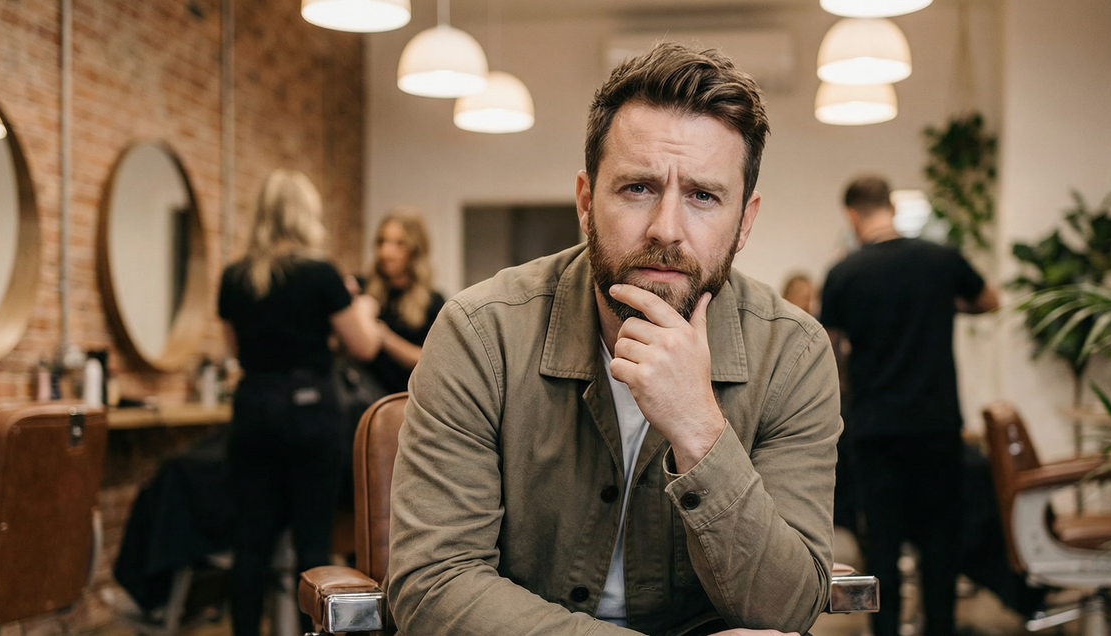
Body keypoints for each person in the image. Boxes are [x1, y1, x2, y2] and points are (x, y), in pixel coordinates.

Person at [385, 43, 841, 636]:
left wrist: (699, 428)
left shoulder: (793, 356)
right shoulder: (481, 334)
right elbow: (434, 587)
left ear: (745, 222)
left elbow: (787, 610)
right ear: (585, 201)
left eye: (703, 196)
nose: (667, 230)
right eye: (637, 189)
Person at [819, 175, 999, 636]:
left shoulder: (844, 273)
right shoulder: (940, 260)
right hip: (936, 425)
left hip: (876, 429)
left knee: (882, 546)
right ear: (892, 208)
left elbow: (829, 347)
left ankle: (886, 631)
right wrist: (944, 307)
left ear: (852, 216)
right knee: (941, 542)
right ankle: (939, 627)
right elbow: (989, 300)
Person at [217, 169, 381, 636]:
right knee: (313, 543)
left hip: (253, 408)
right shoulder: (321, 274)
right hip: (311, 414)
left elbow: (233, 350)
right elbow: (364, 345)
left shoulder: (235, 277)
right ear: (305, 216)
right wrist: (361, 305)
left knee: (250, 545)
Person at [363, 210, 446, 395]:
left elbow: (431, 361)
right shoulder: (364, 290)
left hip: (405, 402)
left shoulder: (433, 302)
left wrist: (385, 338)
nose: (386, 252)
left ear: (415, 250)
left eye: (399, 244)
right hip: (363, 399)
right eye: (382, 242)